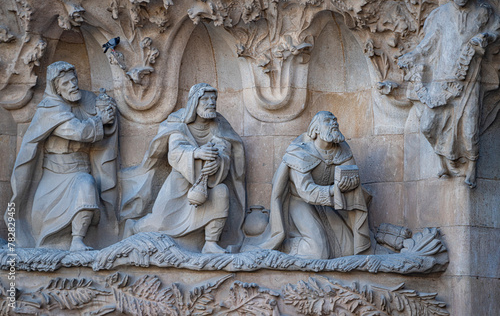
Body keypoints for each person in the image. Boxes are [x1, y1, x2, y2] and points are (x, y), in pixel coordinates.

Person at [121, 83, 246, 254]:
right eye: (206, 99)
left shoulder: (219, 125)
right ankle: (134, 227)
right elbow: (175, 151)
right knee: (159, 222)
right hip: (180, 183)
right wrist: (197, 153)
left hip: (208, 182)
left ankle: (210, 243)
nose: (211, 103)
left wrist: (217, 162)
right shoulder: (179, 123)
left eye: (214, 99)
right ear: (195, 102)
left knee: (221, 192)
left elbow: (225, 150)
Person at [7, 61, 119, 251]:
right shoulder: (50, 109)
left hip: (80, 169)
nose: (72, 85)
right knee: (85, 185)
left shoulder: (85, 100)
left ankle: (77, 240)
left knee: (86, 185)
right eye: (65, 83)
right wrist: (100, 120)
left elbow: (99, 117)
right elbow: (77, 132)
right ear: (56, 88)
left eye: (73, 80)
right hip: (55, 176)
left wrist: (107, 111)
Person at [398, 0, 500, 188]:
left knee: (470, 129)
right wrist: (412, 55)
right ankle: (442, 160)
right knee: (428, 125)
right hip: (441, 78)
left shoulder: (483, 11)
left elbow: (497, 29)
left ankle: (472, 166)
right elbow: (428, 44)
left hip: (470, 79)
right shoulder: (440, 15)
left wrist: (487, 36)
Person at [242, 111, 371, 259]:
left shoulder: (343, 151)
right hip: (298, 202)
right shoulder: (300, 152)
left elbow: (352, 175)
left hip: (326, 204)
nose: (334, 123)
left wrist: (350, 183)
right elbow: (306, 191)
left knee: (348, 249)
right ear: (315, 129)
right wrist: (335, 190)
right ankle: (284, 246)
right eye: (328, 121)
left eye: (335, 120)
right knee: (318, 252)